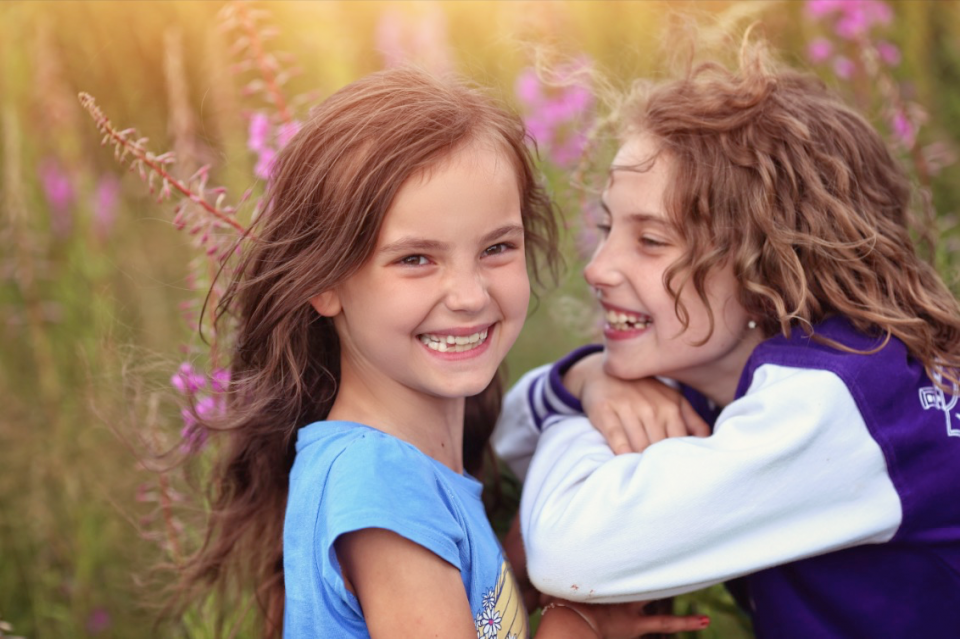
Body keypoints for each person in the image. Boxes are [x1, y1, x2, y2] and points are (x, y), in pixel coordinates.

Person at [175, 67, 710, 638]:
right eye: (415, 259)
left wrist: (531, 570)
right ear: (323, 283)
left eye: (497, 248)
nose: (470, 295)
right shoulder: (381, 482)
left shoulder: (407, 469)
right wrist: (574, 621)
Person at [493, 40, 960, 638]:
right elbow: (503, 440)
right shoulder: (838, 366)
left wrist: (579, 419)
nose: (599, 268)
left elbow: (570, 554)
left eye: (652, 241)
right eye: (608, 227)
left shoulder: (834, 406)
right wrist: (588, 379)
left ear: (765, 264)